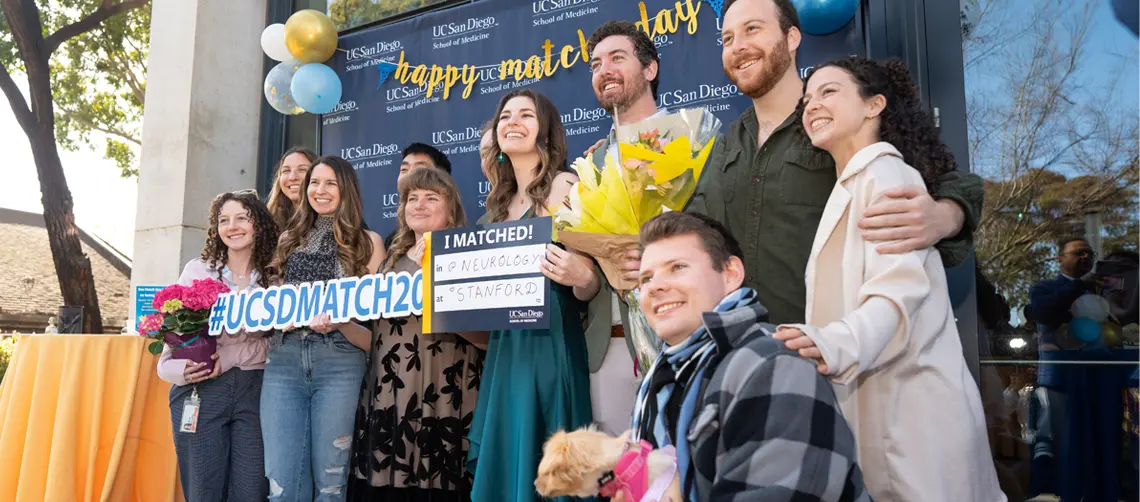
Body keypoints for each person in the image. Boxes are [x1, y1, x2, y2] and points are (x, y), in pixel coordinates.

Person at [615, 0, 981, 328]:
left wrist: (944, 216)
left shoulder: (839, 118)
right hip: (751, 359)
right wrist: (650, 255)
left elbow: (952, 180)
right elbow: (697, 228)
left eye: (752, 29)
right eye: (727, 39)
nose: (738, 46)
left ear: (791, 38)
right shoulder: (727, 143)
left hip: (843, 360)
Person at [772, 56, 1003, 501]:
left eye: (829, 91)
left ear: (874, 105)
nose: (812, 105)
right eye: (807, 99)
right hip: (883, 417)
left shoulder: (887, 175)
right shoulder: (852, 183)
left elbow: (897, 293)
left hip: (915, 424)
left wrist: (833, 343)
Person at [628, 211, 868, 502]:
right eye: (646, 278)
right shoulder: (662, 380)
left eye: (677, 267)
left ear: (731, 275)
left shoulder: (773, 365)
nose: (655, 286)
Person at [467, 89, 601, 502]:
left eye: (526, 115)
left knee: (548, 461)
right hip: (507, 347)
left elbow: (591, 282)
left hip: (551, 341)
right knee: (510, 461)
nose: (513, 121)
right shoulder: (497, 205)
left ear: (546, 131)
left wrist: (582, 275)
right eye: (506, 115)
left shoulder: (565, 185)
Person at [351, 167, 484, 501]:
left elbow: (485, 337)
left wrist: (439, 300)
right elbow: (376, 340)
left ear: (451, 208)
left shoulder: (468, 255)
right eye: (412, 198)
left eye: (431, 197)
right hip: (389, 401)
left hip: (444, 397)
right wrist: (338, 323)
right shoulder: (389, 262)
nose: (419, 205)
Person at [263, 156, 385, 502]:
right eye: (314, 182)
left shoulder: (369, 242)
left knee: (331, 488)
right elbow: (276, 300)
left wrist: (342, 320)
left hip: (340, 362)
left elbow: (375, 322)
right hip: (284, 360)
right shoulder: (288, 239)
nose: (320, 190)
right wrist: (277, 308)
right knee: (282, 488)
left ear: (347, 188)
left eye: (330, 183)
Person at [157, 190, 280, 501]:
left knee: (252, 489)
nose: (232, 226)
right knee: (203, 490)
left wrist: (229, 355)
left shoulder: (274, 277)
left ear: (259, 225)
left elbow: (280, 342)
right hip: (201, 390)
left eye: (242, 218)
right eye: (224, 220)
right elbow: (172, 337)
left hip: (256, 390)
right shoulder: (196, 271)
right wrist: (176, 369)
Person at [385, 143, 452, 249]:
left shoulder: (463, 244)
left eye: (419, 170)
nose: (409, 175)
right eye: (404, 170)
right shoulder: (392, 245)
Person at [267, 147, 318, 229]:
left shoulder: (327, 223)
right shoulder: (268, 221)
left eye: (302, 170)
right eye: (286, 171)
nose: (292, 177)